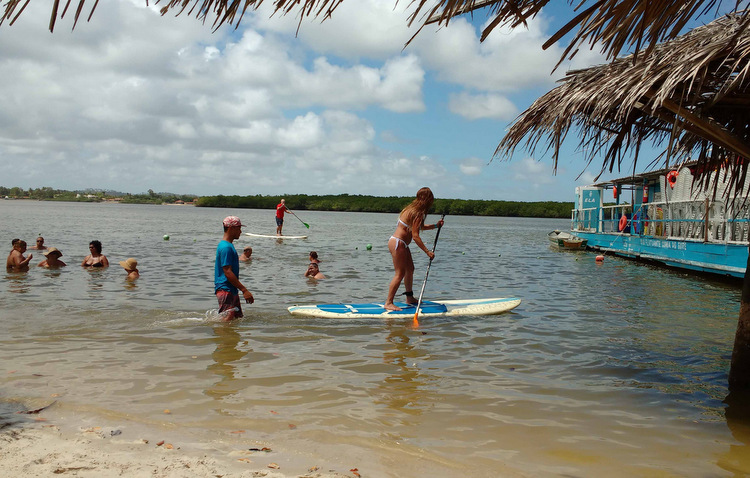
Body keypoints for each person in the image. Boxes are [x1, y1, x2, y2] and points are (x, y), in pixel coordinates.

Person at [385, 187, 444, 311]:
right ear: (426, 200)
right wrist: (427, 252)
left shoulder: (411, 209)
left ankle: (409, 298)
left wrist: (435, 226)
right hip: (398, 243)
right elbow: (415, 236)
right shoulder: (417, 213)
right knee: (400, 273)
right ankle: (388, 302)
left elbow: (419, 228)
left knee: (410, 269)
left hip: (401, 244)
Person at [215, 216, 254, 321]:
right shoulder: (226, 247)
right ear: (231, 228)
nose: (240, 231)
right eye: (238, 228)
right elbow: (227, 271)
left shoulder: (228, 245)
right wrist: (244, 290)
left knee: (237, 319)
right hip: (225, 289)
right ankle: (221, 336)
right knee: (226, 321)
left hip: (231, 289)